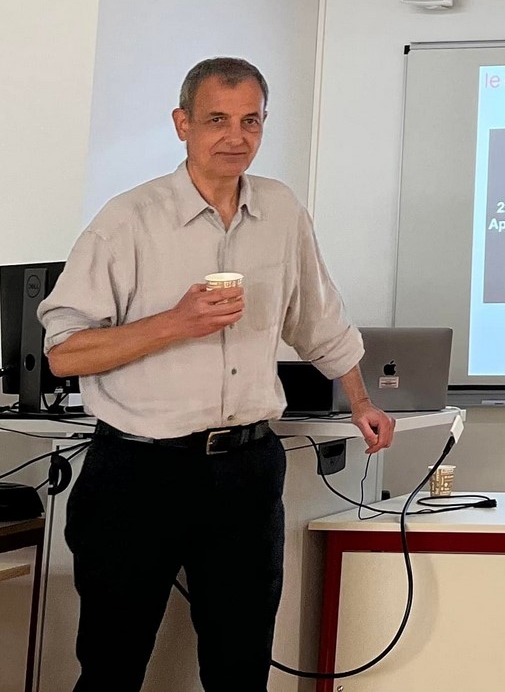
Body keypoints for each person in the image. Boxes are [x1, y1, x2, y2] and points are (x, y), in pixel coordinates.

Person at [38, 57, 396, 692]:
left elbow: (319, 318)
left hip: (246, 472)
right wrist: (174, 322)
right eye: (217, 120)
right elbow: (64, 352)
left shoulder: (282, 210)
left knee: (240, 669)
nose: (236, 137)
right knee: (112, 666)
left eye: (250, 121)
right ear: (183, 124)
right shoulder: (128, 219)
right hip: (137, 473)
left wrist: (362, 402)